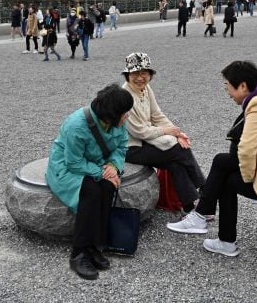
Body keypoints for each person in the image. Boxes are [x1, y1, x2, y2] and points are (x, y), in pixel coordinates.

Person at [166, 61, 257, 257]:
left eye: (227, 85)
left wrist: (248, 176)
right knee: (223, 169)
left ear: (243, 86)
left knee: (224, 170)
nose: (227, 91)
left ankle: (204, 218)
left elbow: (246, 148)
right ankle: (213, 228)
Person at [45, 83, 134, 280]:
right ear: (111, 114)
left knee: (108, 187)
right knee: (91, 192)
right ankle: (78, 253)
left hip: (99, 164)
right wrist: (103, 172)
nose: (127, 116)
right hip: (67, 168)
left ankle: (95, 246)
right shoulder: (76, 125)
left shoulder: (118, 119)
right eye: (124, 113)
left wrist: (113, 166)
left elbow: (121, 146)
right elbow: (73, 162)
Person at [121, 53, 206, 215]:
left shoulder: (145, 89)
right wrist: (168, 132)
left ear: (150, 75)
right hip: (131, 148)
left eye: (144, 73)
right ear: (127, 75)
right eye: (135, 73)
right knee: (180, 151)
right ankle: (206, 189)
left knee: (175, 162)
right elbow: (139, 132)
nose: (140, 78)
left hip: (145, 141)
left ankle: (190, 210)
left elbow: (157, 115)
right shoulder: (125, 97)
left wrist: (178, 133)